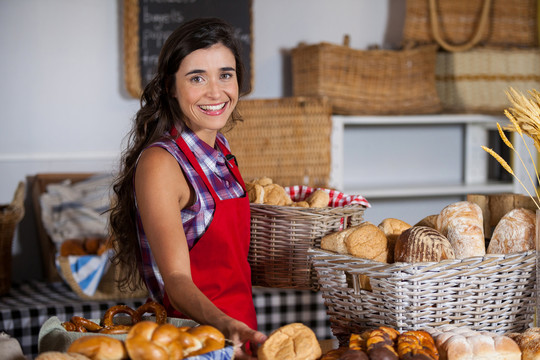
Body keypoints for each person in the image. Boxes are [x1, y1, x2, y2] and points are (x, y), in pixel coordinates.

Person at [109, 17, 267, 358]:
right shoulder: (160, 164)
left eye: (225, 75)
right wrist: (226, 328)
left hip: (242, 335)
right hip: (193, 343)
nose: (216, 92)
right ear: (170, 86)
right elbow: (176, 282)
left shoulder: (221, 150)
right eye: (197, 78)